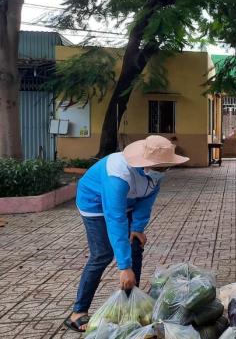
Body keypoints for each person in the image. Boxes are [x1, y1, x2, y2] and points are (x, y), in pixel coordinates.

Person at [64, 135, 189, 332]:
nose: (162, 172)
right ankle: (77, 312)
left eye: (165, 167)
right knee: (102, 254)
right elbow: (115, 218)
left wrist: (137, 228)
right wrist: (124, 266)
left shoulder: (154, 174)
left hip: (128, 202)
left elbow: (145, 201)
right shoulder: (118, 175)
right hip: (94, 203)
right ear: (145, 163)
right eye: (159, 168)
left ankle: (132, 304)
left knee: (135, 244)